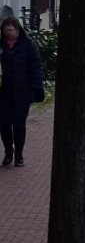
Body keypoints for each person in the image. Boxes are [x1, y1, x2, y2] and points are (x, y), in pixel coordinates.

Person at [0, 17, 44, 167]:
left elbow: (36, 69)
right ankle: (8, 152)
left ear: (18, 29)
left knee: (19, 124)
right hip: (3, 93)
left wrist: (36, 89)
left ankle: (19, 153)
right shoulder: (1, 46)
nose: (8, 30)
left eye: (11, 27)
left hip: (22, 92)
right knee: (4, 124)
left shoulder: (28, 46)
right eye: (6, 28)